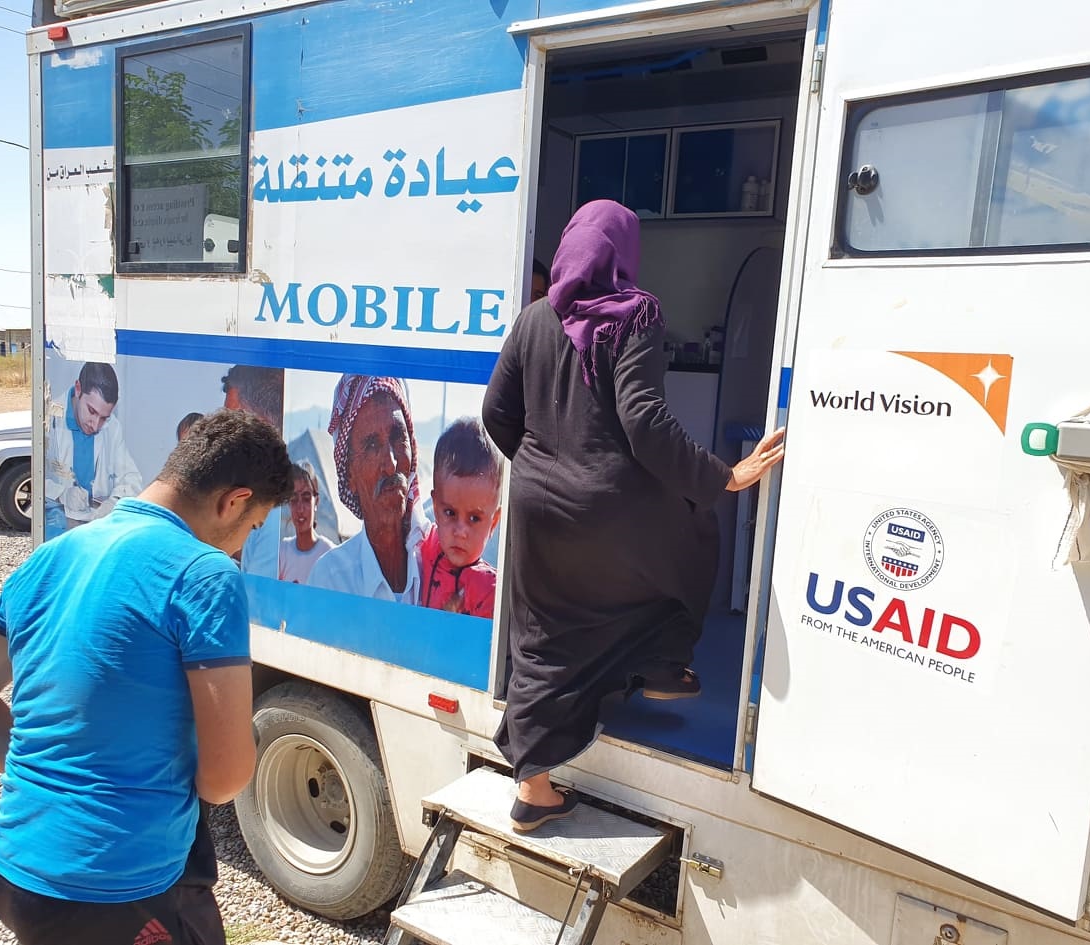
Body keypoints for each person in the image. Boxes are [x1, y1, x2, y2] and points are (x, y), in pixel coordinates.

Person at [0, 410, 295, 945]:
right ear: (232, 501)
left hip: (15, 870)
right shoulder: (205, 574)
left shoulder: (51, 556)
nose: (239, 546)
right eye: (251, 527)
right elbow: (225, 776)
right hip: (117, 887)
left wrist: (57, 779)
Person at [482, 199, 785, 832]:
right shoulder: (636, 313)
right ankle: (662, 665)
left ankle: (532, 788)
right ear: (624, 252)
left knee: (544, 630)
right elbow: (644, 420)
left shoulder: (534, 317)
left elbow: (496, 412)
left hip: (540, 508)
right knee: (694, 534)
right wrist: (720, 476)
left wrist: (542, 465)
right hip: (613, 504)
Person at [307, 375, 429, 602]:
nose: (391, 465)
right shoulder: (331, 582)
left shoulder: (442, 564)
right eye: (372, 445)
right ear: (350, 474)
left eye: (397, 436)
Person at [45, 361, 142, 537]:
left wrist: (115, 501)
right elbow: (32, 476)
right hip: (58, 523)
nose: (96, 425)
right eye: (91, 411)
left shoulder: (112, 427)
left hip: (96, 525)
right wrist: (61, 494)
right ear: (78, 389)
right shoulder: (49, 419)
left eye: (104, 417)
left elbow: (132, 478)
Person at [419, 417, 503, 618]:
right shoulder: (424, 547)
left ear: (493, 523)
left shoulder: (490, 590)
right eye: (450, 513)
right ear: (437, 508)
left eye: (474, 518)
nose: (460, 532)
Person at [221, 364, 285, 579]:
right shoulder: (260, 488)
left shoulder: (275, 509)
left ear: (262, 422)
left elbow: (257, 602)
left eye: (232, 422)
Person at [279, 460, 336, 584]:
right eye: (294, 499)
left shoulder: (329, 554)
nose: (300, 509)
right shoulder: (282, 552)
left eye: (306, 498)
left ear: (316, 501)